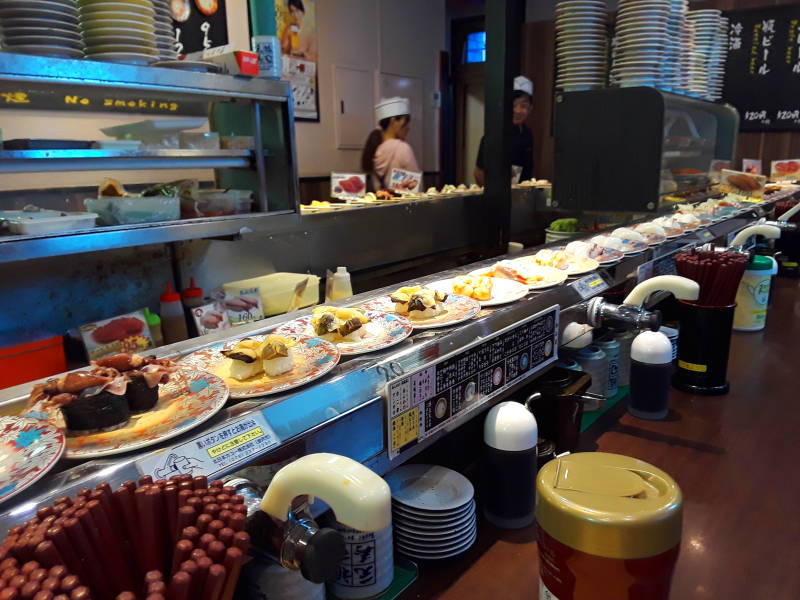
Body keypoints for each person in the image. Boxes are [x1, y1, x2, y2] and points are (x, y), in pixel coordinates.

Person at [474, 75, 534, 186]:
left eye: (523, 106)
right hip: (497, 196)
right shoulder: (495, 134)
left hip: (520, 193)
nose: (518, 111)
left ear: (530, 108)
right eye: (513, 105)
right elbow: (479, 172)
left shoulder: (527, 134)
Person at [361, 97, 420, 192]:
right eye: (406, 122)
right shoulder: (402, 148)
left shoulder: (375, 148)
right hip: (403, 205)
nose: (408, 127)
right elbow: (416, 188)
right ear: (393, 121)